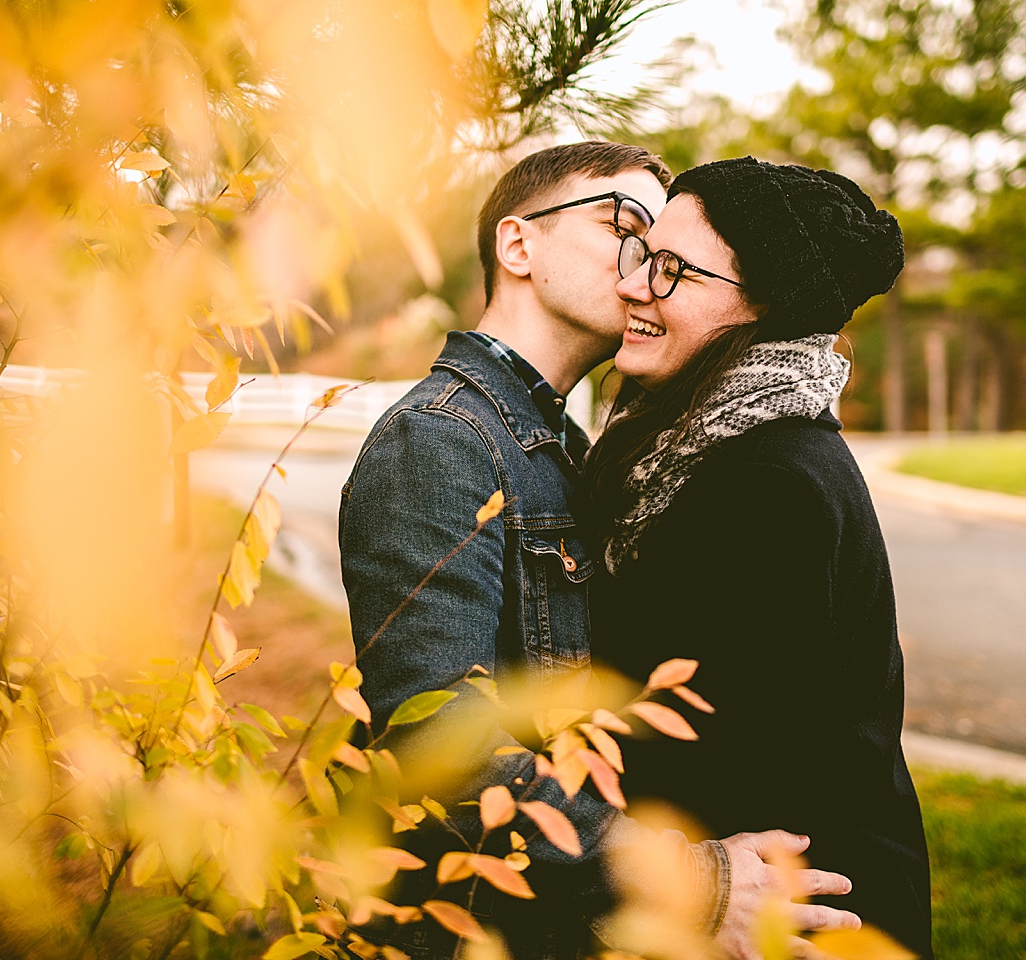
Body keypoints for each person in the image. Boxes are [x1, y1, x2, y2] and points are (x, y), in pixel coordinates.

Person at [338, 142, 862, 959]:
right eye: (627, 230)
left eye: (661, 253)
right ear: (519, 247)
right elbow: (437, 738)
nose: (644, 270)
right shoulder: (441, 438)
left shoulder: (562, 442)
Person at [583, 156, 934, 959]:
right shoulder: (689, 445)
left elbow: (706, 760)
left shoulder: (768, 486)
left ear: (766, 307)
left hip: (793, 915)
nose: (633, 285)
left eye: (671, 270)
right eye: (641, 251)